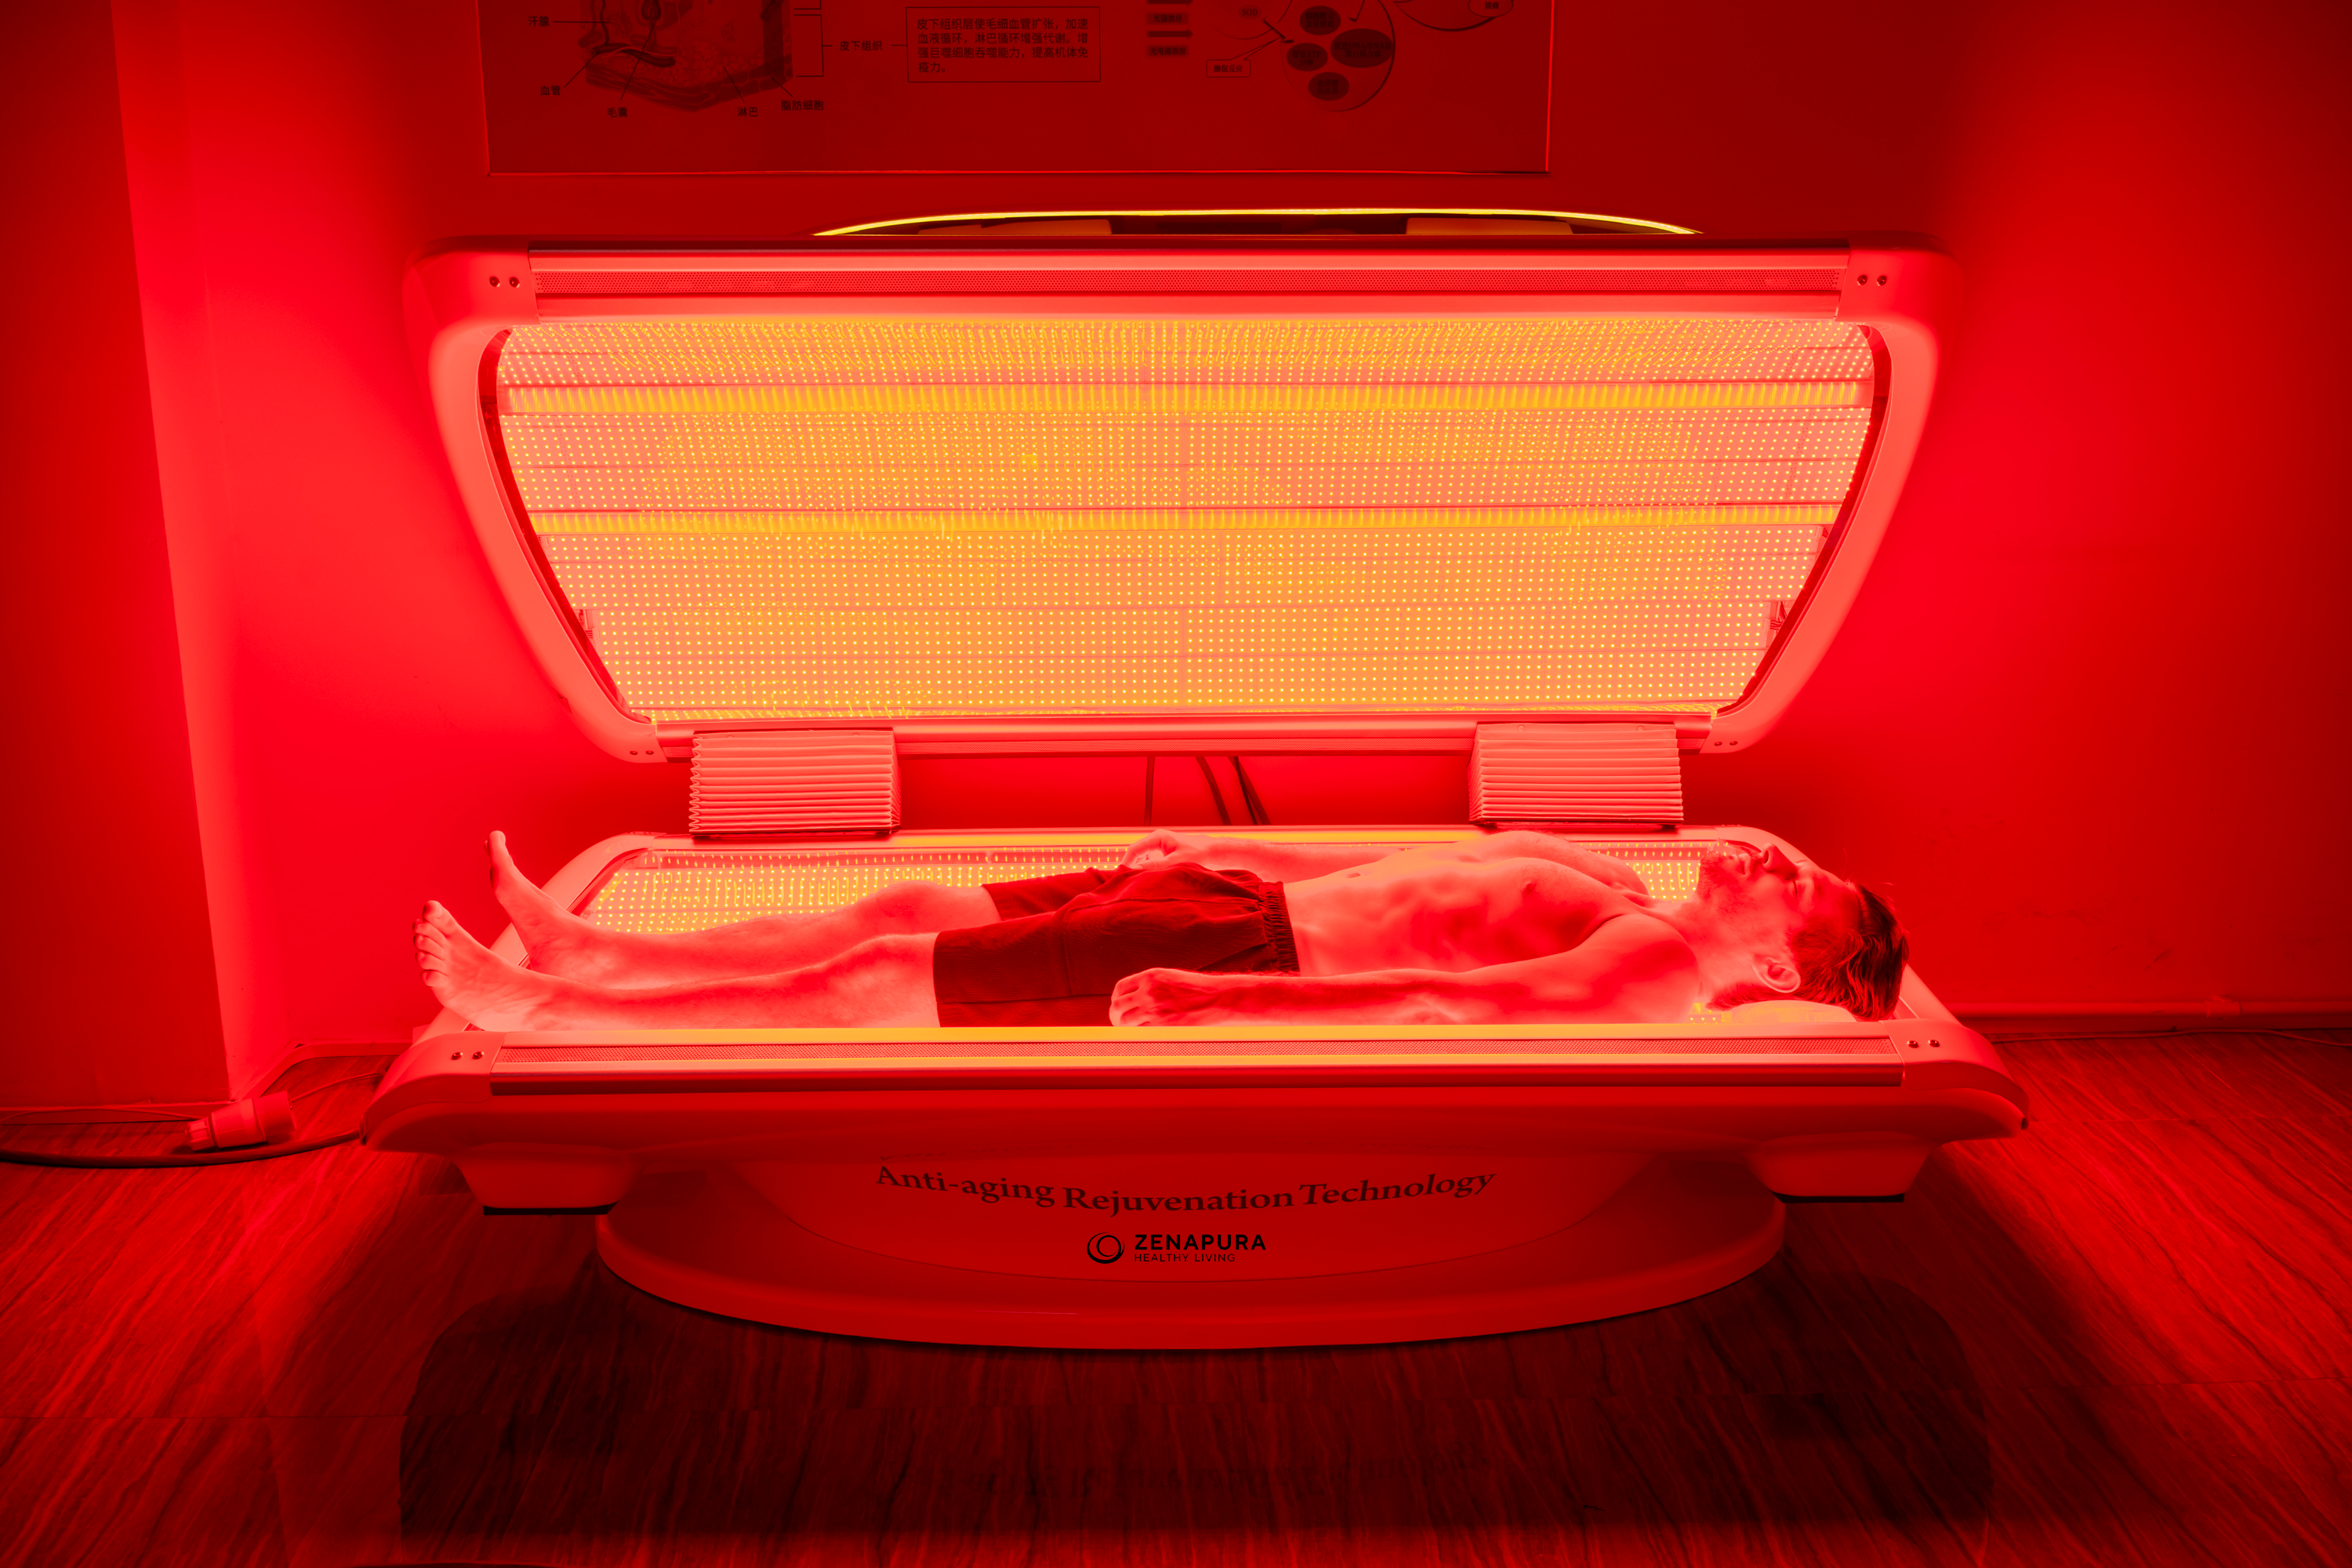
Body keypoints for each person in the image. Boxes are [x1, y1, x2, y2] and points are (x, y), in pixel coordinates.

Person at [414, 829, 1909, 1031]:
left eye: (1798, 885)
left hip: (1255, 954)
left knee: (880, 974)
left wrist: (1226, 996)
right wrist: (1236, 858)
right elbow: (1414, 869)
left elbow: (1438, 1007)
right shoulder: (1632, 891)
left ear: (1783, 963)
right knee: (902, 906)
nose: (1772, 858)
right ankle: (604, 949)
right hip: (1240, 902)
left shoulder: (1649, 966)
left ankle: (573, 1014)